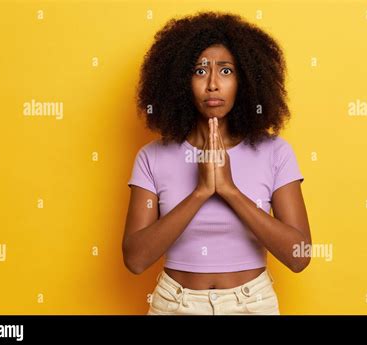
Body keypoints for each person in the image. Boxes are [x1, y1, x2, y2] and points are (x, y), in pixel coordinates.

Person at [122, 11, 312, 315]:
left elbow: (299, 256)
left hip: (252, 305)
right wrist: (200, 192)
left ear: (246, 79)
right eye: (199, 71)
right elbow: (135, 259)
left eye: (226, 71)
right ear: (180, 81)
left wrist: (229, 190)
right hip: (175, 304)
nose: (212, 84)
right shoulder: (152, 157)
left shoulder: (275, 152)